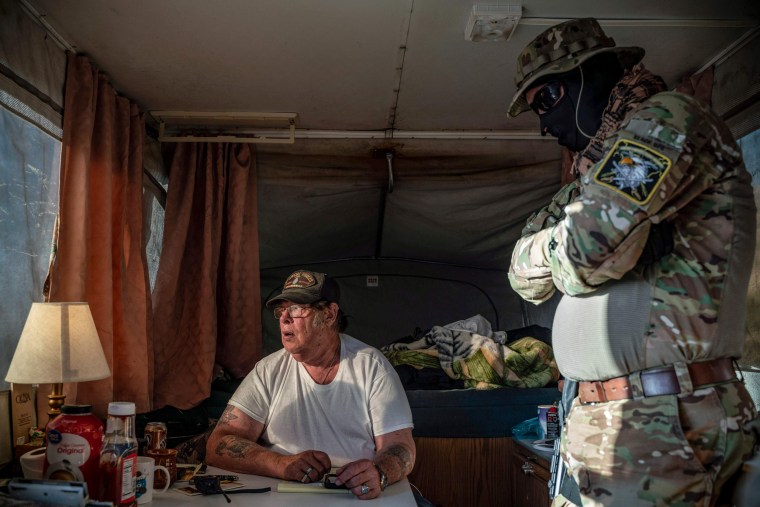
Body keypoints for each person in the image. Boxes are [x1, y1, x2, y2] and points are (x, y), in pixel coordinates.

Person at [507, 18, 758, 506]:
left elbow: (584, 251)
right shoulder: (592, 175)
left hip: (663, 418)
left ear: (588, 76)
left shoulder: (667, 120)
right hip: (616, 422)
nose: (544, 126)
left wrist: (578, 244)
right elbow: (521, 274)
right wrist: (602, 238)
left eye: (546, 102)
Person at [205, 270, 416, 500]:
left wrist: (379, 473)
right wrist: (281, 464)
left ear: (329, 314)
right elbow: (219, 442)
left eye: (296, 308)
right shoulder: (268, 370)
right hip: (281, 495)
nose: (285, 318)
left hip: (354, 495)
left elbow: (401, 447)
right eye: (281, 310)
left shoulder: (372, 367)